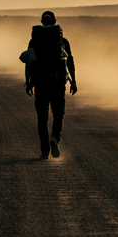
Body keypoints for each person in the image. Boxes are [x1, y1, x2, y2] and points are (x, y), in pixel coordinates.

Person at [24, 11, 77, 159]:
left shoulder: (33, 42)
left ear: (41, 22)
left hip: (40, 85)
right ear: (55, 22)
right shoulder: (62, 41)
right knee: (58, 115)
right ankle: (55, 138)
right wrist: (73, 81)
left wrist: (28, 83)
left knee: (42, 118)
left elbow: (29, 63)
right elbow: (70, 61)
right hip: (58, 84)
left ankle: (44, 151)